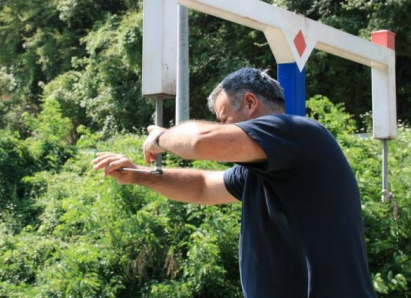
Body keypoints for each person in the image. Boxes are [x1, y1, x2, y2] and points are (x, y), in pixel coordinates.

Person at [92, 68, 376, 298]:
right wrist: (137, 174)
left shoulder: (296, 133)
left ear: (251, 103)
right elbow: (203, 185)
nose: (224, 128)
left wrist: (161, 137)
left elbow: (198, 142)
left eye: (225, 120)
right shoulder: (263, 168)